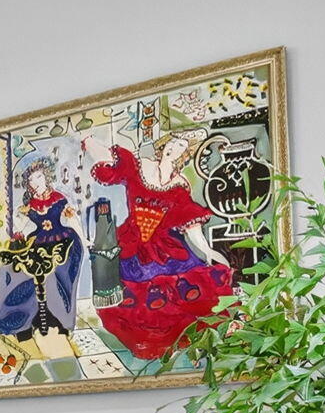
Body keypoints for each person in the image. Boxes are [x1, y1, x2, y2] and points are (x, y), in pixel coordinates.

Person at [81, 130, 233, 360]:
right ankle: (149, 345)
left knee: (184, 291)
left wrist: (208, 250)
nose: (176, 148)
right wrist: (89, 140)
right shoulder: (141, 166)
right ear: (164, 144)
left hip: (164, 247)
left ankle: (182, 343)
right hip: (132, 244)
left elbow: (189, 224)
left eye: (182, 146)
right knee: (139, 300)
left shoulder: (180, 184)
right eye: (174, 142)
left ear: (186, 154)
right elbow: (110, 160)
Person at [0, 156, 86, 338]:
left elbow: (72, 220)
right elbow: (22, 228)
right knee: (20, 272)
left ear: (46, 177)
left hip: (63, 241)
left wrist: (84, 239)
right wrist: (14, 225)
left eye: (39, 177)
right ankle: (24, 320)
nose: (35, 182)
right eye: (31, 179)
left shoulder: (58, 199)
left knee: (59, 276)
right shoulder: (29, 206)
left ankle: (61, 320)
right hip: (38, 241)